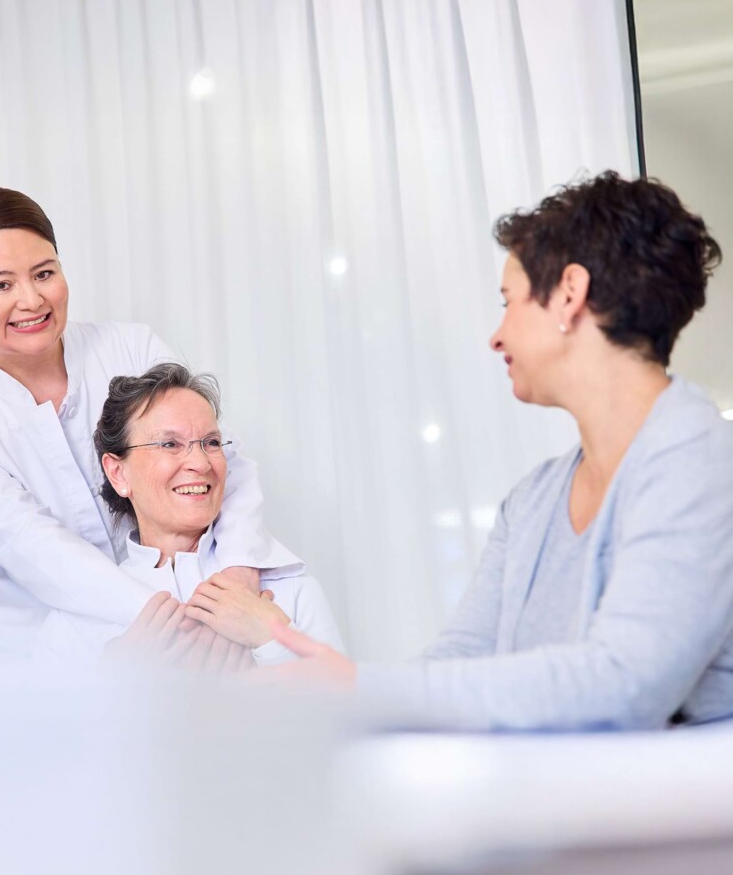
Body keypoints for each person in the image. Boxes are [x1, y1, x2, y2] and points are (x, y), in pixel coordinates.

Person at [269, 171, 733, 731]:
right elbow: (457, 664)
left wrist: (358, 687)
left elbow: (627, 682)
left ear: (569, 294)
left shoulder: (700, 461)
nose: (496, 335)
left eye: (509, 301)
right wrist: (348, 704)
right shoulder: (533, 501)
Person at [0, 187, 300, 659]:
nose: (31, 300)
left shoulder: (131, 349)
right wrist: (185, 621)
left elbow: (217, 458)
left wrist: (235, 577)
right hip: (32, 659)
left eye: (44, 273)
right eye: (0, 285)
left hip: (182, 619)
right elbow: (34, 547)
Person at [36, 363, 343, 665]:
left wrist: (275, 642)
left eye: (211, 442)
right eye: (169, 444)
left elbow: (347, 712)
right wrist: (116, 684)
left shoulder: (290, 589)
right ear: (118, 473)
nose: (201, 462)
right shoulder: (74, 623)